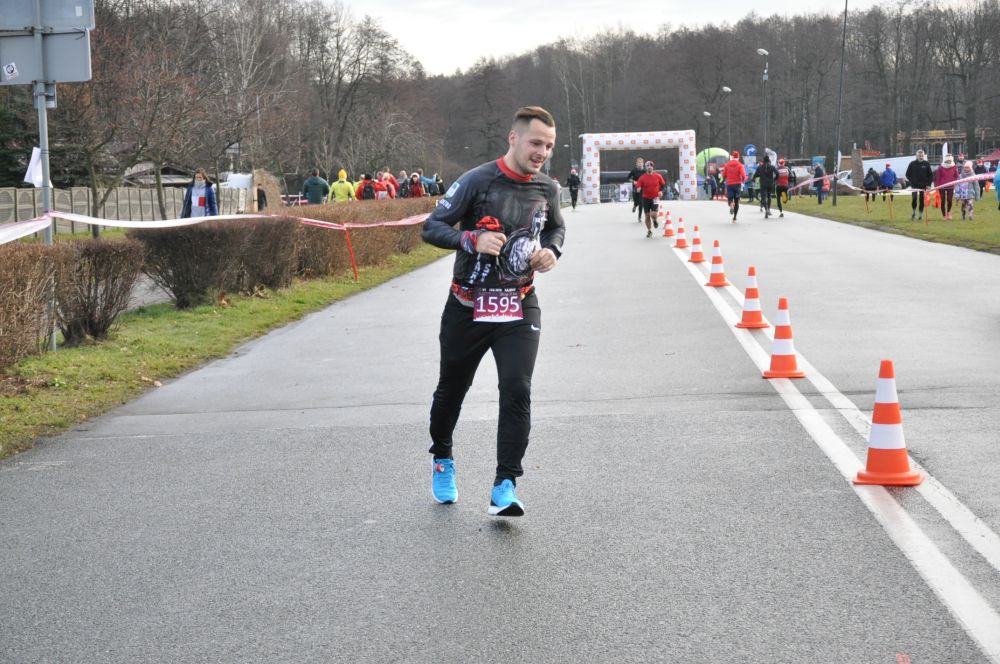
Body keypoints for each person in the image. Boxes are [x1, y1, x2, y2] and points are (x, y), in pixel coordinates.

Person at [420, 106, 565, 517]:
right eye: (536, 143)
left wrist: (551, 251)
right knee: (452, 389)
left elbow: (556, 228)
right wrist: (471, 239)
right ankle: (442, 457)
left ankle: (505, 485)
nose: (542, 153)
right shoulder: (477, 180)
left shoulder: (548, 188)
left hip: (519, 304)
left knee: (517, 388)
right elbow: (431, 227)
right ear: (513, 138)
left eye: (549, 146)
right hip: (468, 306)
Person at [635, 160, 665, 238]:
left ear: (652, 167)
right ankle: (649, 231)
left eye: (651, 166)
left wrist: (661, 191)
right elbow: (638, 185)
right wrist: (638, 188)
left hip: (655, 198)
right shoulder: (642, 177)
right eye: (648, 166)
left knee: (653, 214)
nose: (649, 167)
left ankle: (654, 220)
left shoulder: (658, 176)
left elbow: (663, 184)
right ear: (645, 168)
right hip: (646, 198)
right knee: (647, 216)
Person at [905, 149, 933, 220]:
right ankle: (913, 212)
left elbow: (930, 175)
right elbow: (907, 174)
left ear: (923, 156)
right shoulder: (912, 164)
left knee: (921, 200)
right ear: (916, 156)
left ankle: (921, 214)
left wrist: (929, 184)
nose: (921, 157)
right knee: (914, 198)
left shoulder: (926, 164)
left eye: (922, 156)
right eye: (919, 156)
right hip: (914, 185)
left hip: (923, 185)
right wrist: (912, 181)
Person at [721, 150, 747, 223]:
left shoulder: (727, 165)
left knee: (730, 199)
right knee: (737, 201)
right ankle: (734, 218)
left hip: (729, 184)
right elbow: (743, 175)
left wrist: (724, 180)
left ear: (732, 157)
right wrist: (743, 180)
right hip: (737, 185)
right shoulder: (740, 165)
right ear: (738, 157)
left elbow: (723, 175)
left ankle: (731, 204)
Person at [934, 153, 959, 220]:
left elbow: (956, 176)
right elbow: (938, 177)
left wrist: (954, 182)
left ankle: (948, 212)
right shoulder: (941, 167)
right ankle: (944, 215)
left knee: (949, 200)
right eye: (948, 160)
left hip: (951, 186)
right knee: (943, 200)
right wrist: (937, 186)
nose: (949, 161)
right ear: (945, 160)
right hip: (942, 186)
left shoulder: (954, 167)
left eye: (950, 160)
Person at [627, 157, 645, 222]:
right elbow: (628, 178)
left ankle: (639, 217)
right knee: (636, 201)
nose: (640, 164)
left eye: (641, 162)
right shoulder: (634, 170)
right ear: (636, 163)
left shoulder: (645, 171)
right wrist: (633, 181)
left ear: (643, 163)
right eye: (638, 162)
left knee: (641, 202)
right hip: (635, 187)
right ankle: (635, 205)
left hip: (642, 188)